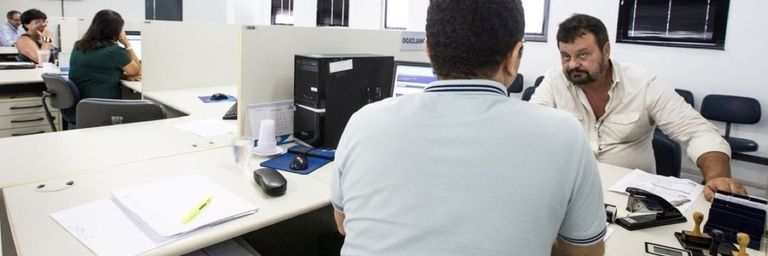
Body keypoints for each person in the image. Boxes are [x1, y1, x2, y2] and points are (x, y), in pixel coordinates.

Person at [331, 1, 606, 255]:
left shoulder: (363, 122)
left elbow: (343, 224)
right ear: (515, 56)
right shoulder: (564, 135)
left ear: (428, 50)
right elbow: (585, 252)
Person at [529, 14, 746, 201]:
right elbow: (530, 125)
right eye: (566, 56)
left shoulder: (643, 84)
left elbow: (698, 132)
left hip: (632, 198)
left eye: (583, 55)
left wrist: (718, 177)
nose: (573, 64)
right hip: (572, 189)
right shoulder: (555, 81)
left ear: (606, 50)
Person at [69, 9, 140, 102]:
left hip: (81, 106)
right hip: (103, 107)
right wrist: (127, 44)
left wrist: (121, 76)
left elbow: (95, 72)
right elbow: (136, 71)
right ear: (115, 31)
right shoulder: (114, 51)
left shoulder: (78, 46)